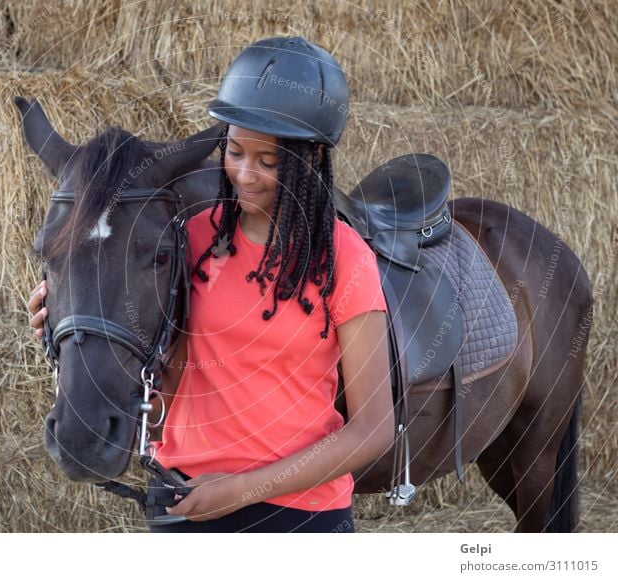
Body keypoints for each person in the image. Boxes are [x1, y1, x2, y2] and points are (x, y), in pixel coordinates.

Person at [27, 37, 393, 533]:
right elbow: (159, 357)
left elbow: (373, 431)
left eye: (269, 162)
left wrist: (240, 491)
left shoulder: (345, 259)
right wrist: (67, 315)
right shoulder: (191, 237)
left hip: (299, 521)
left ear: (310, 161)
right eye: (236, 152)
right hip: (181, 502)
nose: (245, 174)